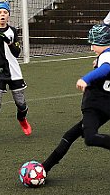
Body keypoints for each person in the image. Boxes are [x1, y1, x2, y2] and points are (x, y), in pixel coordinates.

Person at [42, 13, 110, 174]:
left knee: (90, 137)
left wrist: (86, 79)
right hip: (105, 105)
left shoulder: (106, 56)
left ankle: (44, 168)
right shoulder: (105, 55)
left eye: (94, 44)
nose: (91, 47)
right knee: (70, 134)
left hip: (96, 105)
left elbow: (106, 68)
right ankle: (45, 167)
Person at [0, 1, 32, 148]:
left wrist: (10, 43)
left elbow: (17, 53)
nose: (2, 15)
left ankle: (21, 118)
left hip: (14, 72)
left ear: (9, 15)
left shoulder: (13, 31)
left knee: (21, 104)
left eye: (5, 12)